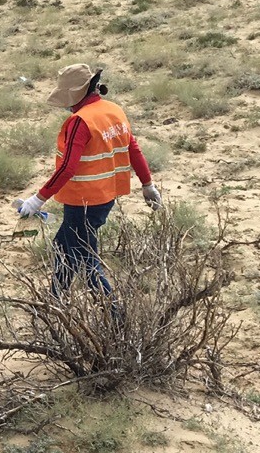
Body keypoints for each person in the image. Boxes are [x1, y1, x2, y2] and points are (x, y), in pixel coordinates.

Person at [14, 64, 163, 299]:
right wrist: (147, 185)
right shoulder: (114, 111)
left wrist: (37, 200)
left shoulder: (80, 122)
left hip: (82, 201)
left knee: (86, 260)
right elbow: (133, 149)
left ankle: (114, 315)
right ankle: (57, 299)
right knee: (63, 247)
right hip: (105, 197)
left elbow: (67, 168)